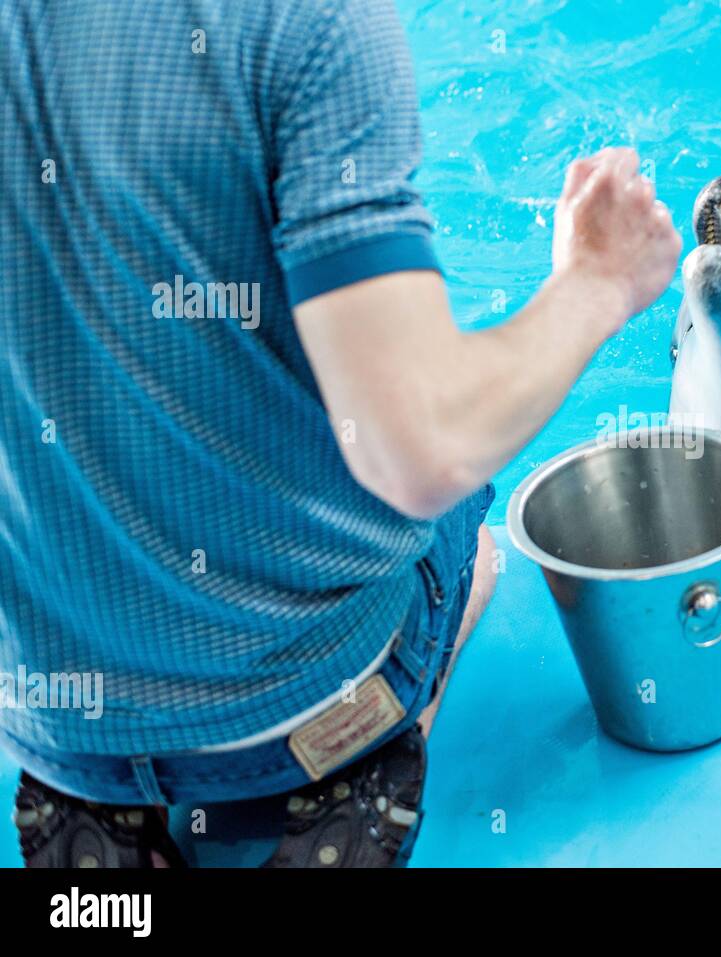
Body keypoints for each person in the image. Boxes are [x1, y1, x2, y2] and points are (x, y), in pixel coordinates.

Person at [0, 0, 679, 867]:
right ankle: (363, 761)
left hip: (52, 710)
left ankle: (85, 796)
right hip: (298, 707)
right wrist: (597, 283)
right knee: (467, 504)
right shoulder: (311, 26)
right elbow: (422, 452)